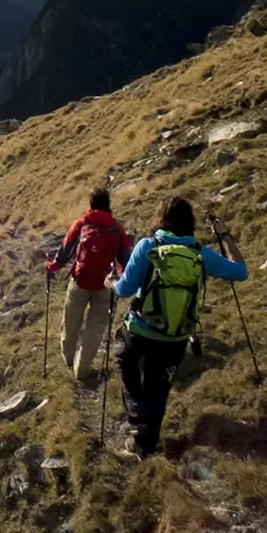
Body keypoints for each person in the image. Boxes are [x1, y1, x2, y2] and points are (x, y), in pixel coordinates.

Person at [110, 195, 248, 459]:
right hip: (176, 336)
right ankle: (145, 449)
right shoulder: (200, 254)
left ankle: (137, 414)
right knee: (159, 388)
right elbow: (241, 272)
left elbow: (125, 288)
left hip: (141, 328)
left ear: (162, 219)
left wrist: (110, 284)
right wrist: (226, 236)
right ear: (190, 223)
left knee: (124, 358)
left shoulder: (147, 246)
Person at [46, 188, 132, 380]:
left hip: (80, 281)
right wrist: (123, 282)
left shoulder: (81, 224)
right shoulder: (117, 230)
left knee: (71, 321)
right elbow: (127, 260)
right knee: (95, 327)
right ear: (108, 206)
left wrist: (52, 267)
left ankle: (68, 358)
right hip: (105, 285)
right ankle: (82, 368)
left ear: (91, 205)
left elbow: (65, 250)